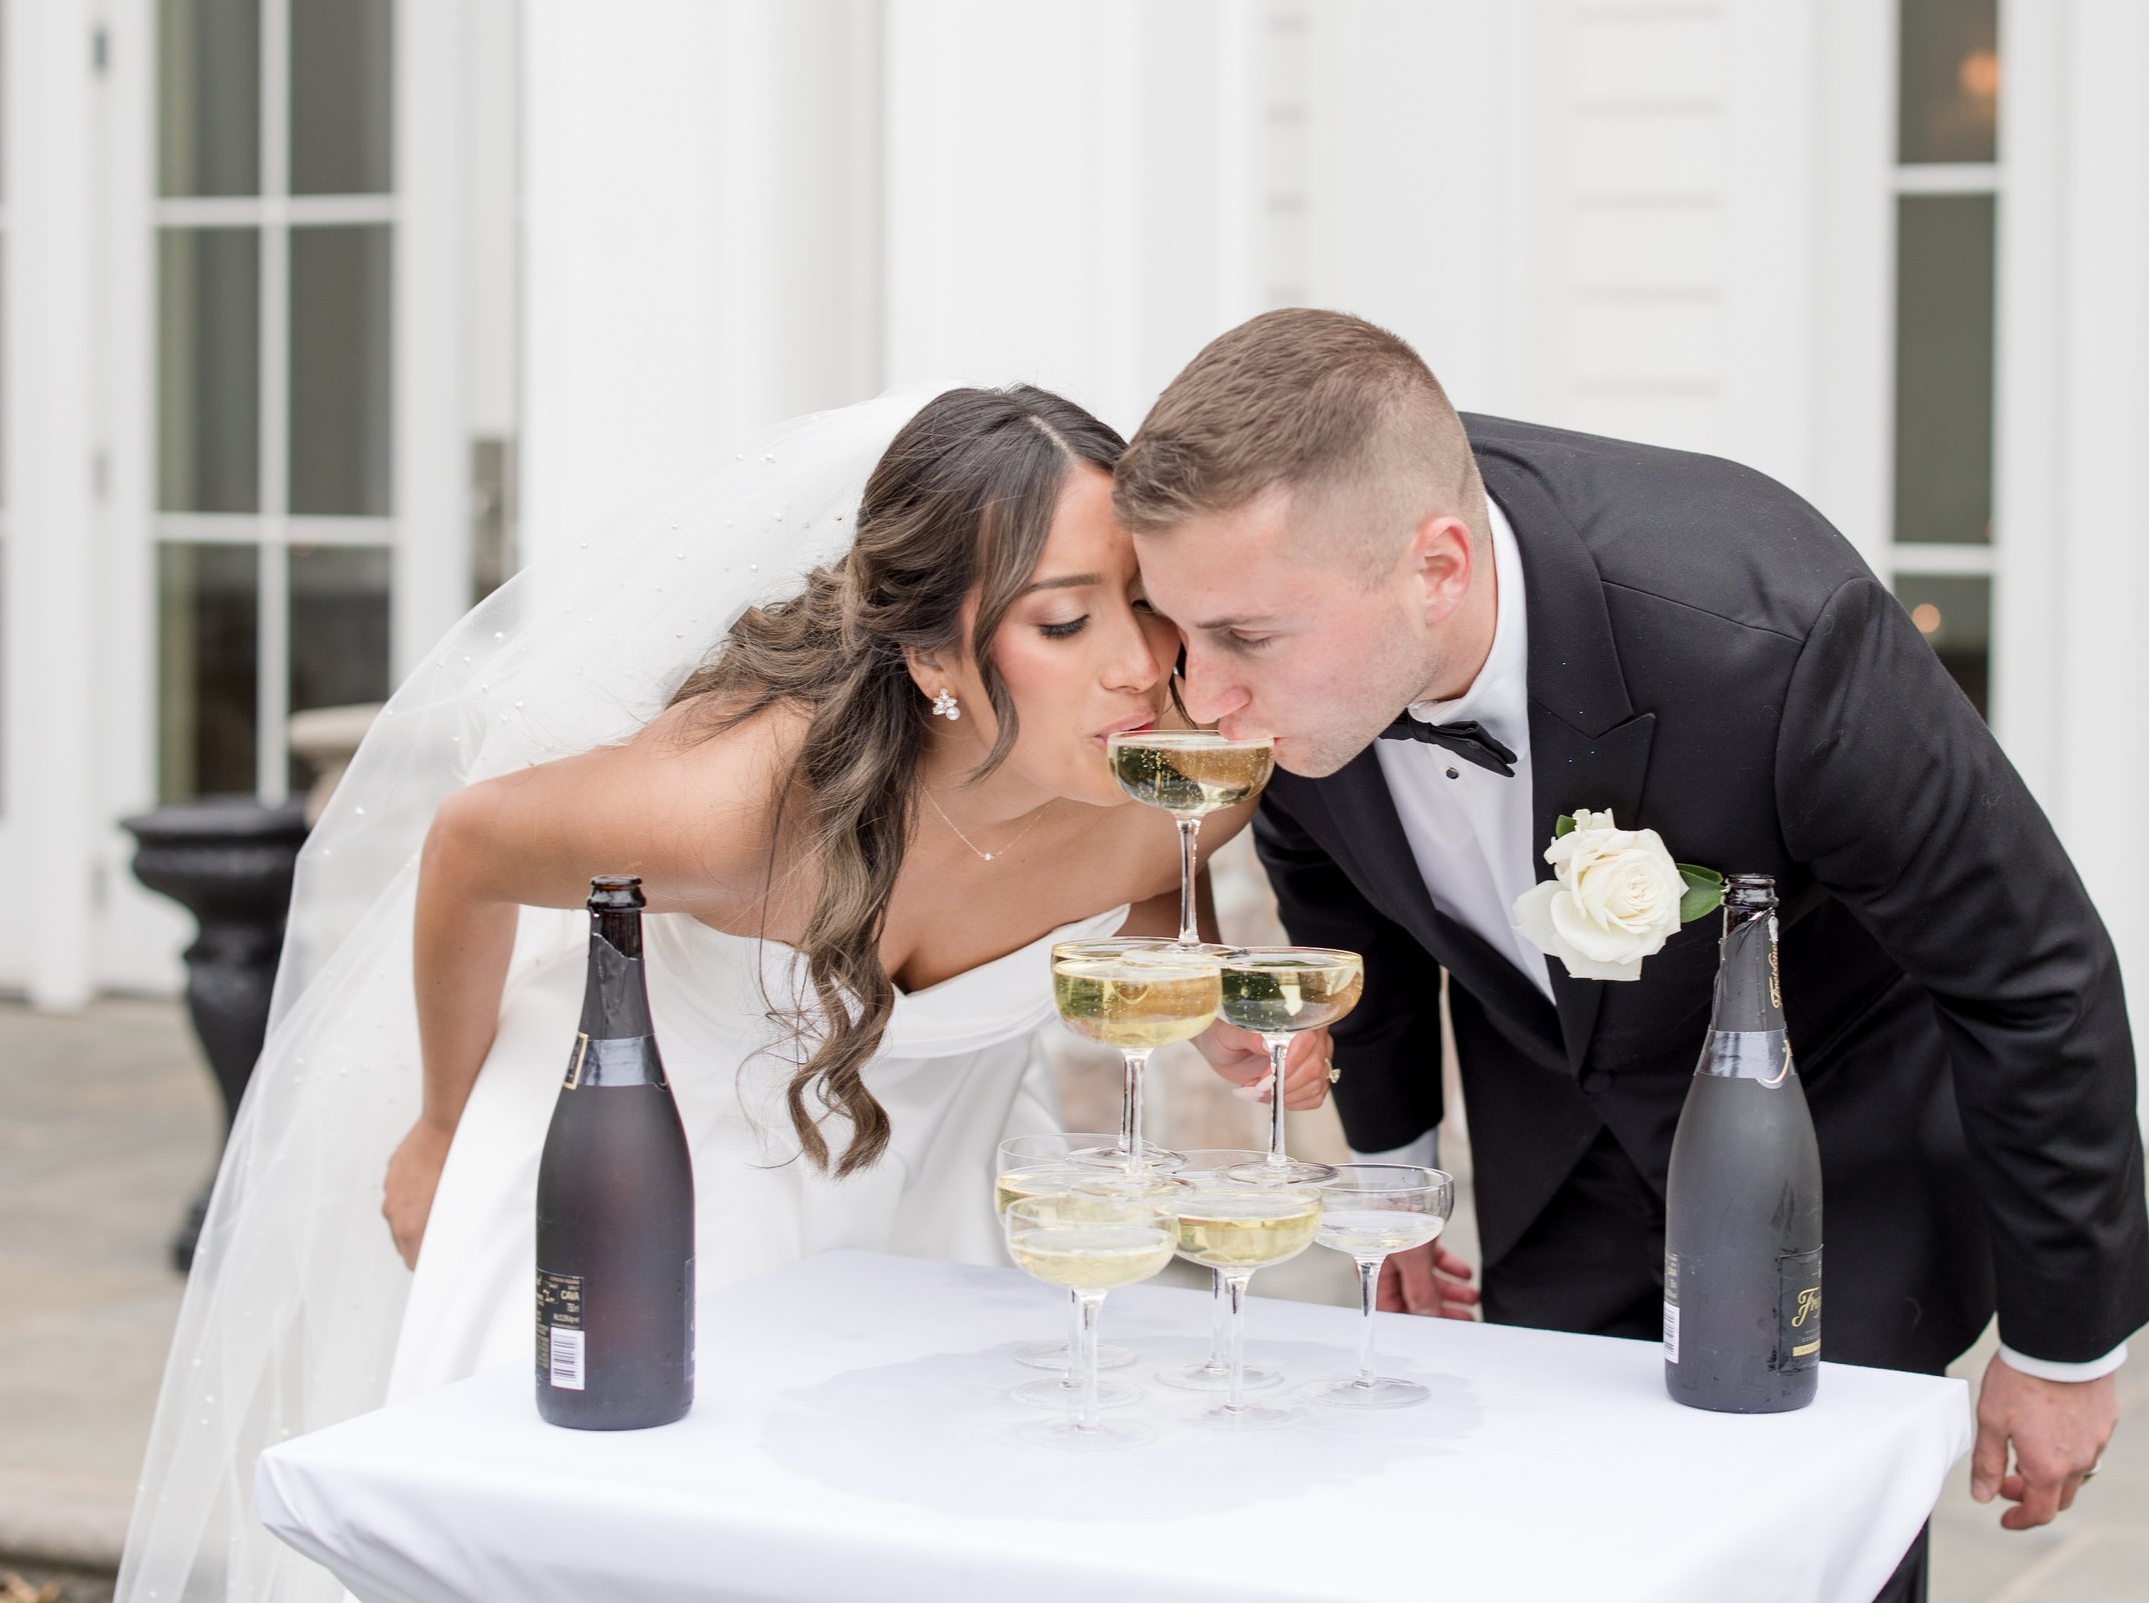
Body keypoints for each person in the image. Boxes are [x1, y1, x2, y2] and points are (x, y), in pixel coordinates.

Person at [117, 385, 1329, 1603]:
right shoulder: (728, 811)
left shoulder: (1194, 773)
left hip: (941, 1199)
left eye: (1144, 599)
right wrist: (441, 1126)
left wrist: (1208, 989)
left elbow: (1161, 886)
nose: (1138, 663)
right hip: (651, 1182)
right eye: (1066, 622)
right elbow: (470, 849)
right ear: (931, 658)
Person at [1115, 309, 2149, 1603]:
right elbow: (1351, 903)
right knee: (1547, 1549)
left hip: (1827, 1155)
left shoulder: (1768, 634)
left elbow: (2032, 967)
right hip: (1557, 1141)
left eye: (1244, 640)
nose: (1201, 697)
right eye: (1177, 629)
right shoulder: (1294, 662)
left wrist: (2065, 1349)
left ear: (1436, 567)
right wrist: (1394, 1192)